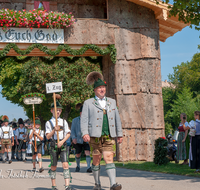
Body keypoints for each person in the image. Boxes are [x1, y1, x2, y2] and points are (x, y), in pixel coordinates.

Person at [81, 72, 123, 190]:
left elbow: (117, 119)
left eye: (103, 87)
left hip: (109, 135)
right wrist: (85, 133)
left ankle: (113, 184)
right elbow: (84, 120)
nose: (102, 89)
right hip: (94, 136)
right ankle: (97, 184)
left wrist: (119, 134)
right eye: (99, 88)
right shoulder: (88, 103)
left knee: (109, 157)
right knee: (97, 159)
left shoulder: (112, 102)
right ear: (95, 90)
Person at [45, 100, 72, 190]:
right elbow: (48, 136)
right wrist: (54, 130)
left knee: (65, 165)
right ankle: (54, 186)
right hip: (53, 145)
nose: (58, 112)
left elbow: (68, 133)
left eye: (59, 110)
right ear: (51, 111)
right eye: (56, 110)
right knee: (53, 166)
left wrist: (62, 141)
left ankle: (67, 186)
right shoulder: (48, 123)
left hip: (63, 144)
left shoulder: (64, 122)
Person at [71, 103, 92, 173]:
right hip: (78, 139)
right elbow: (73, 130)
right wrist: (73, 138)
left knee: (87, 152)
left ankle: (89, 167)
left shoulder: (89, 120)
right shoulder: (75, 120)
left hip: (87, 139)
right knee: (78, 154)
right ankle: (78, 166)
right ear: (80, 113)